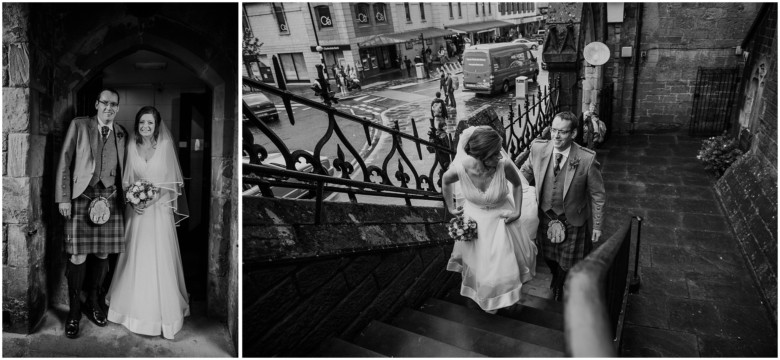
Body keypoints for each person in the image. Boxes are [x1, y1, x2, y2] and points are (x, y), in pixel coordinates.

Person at [106, 106, 190, 339]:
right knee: (134, 256)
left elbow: (170, 183)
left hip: (158, 213)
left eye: (150, 123)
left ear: (157, 125)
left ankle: (160, 316)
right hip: (136, 213)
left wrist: (150, 202)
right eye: (142, 122)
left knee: (158, 257)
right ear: (137, 124)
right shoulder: (131, 146)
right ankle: (130, 311)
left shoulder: (165, 146)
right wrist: (134, 201)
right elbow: (126, 181)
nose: (145, 127)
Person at [55, 88, 129, 339]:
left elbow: (124, 170)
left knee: (102, 252)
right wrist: (63, 198)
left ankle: (94, 303)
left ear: (117, 108)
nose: (109, 108)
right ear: (97, 104)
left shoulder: (121, 132)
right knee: (77, 255)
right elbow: (65, 161)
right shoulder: (80, 125)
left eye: (114, 104)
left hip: (109, 198)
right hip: (80, 196)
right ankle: (74, 310)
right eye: (105, 103)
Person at [442, 126, 538, 314]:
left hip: (502, 222)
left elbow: (517, 185)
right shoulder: (460, 170)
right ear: (481, 156)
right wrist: (450, 207)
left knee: (505, 265)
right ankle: (486, 298)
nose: (500, 157)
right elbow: (445, 181)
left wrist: (517, 211)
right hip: (476, 224)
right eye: (494, 154)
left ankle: (507, 298)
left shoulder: (504, 165)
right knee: (481, 266)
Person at [519, 111, 606, 302]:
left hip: (572, 218)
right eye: (553, 130)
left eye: (562, 132)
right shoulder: (538, 148)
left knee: (568, 262)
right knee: (547, 256)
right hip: (545, 216)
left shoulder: (586, 159)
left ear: (573, 134)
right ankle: (556, 276)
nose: (556, 136)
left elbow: (598, 194)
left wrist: (598, 225)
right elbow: (525, 172)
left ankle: (558, 284)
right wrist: (511, 192)